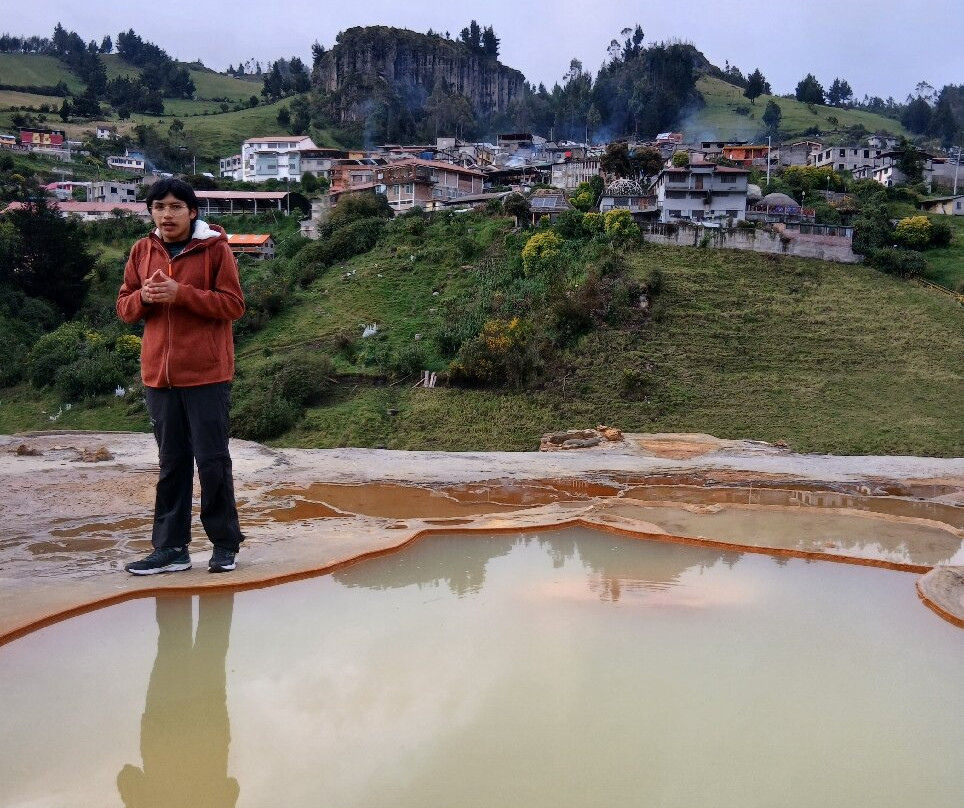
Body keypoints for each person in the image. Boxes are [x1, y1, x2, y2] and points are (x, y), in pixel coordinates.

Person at [117, 178, 245, 574]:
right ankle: (171, 548)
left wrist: (181, 293)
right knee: (171, 463)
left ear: (192, 211)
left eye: (175, 206)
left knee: (211, 461)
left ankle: (224, 544)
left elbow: (233, 305)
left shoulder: (215, 250)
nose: (166, 214)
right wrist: (143, 298)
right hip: (159, 378)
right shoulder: (142, 250)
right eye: (158, 207)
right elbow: (124, 307)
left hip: (206, 375)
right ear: (151, 211)